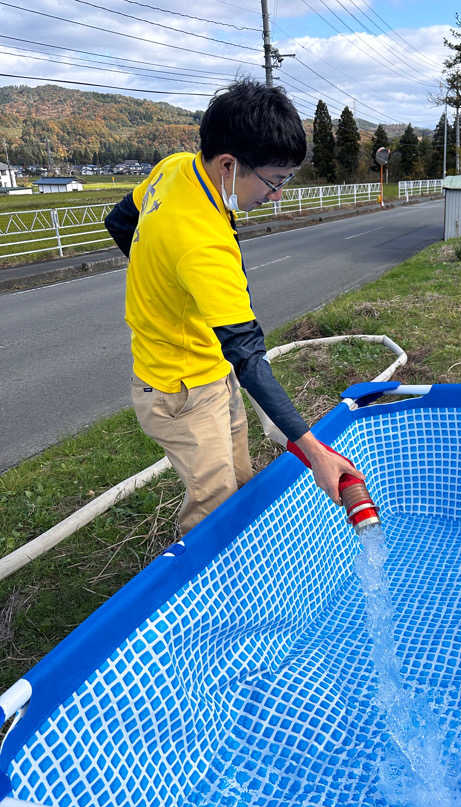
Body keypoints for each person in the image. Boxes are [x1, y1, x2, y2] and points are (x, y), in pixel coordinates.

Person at [105, 79, 361, 535]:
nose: (277, 194)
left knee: (240, 480)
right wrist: (315, 452)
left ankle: (240, 571)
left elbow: (121, 220)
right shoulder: (203, 245)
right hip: (178, 389)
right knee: (214, 508)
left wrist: (162, 279)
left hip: (211, 365)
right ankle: (199, 599)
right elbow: (248, 355)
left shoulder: (177, 168)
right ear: (229, 163)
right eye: (274, 180)